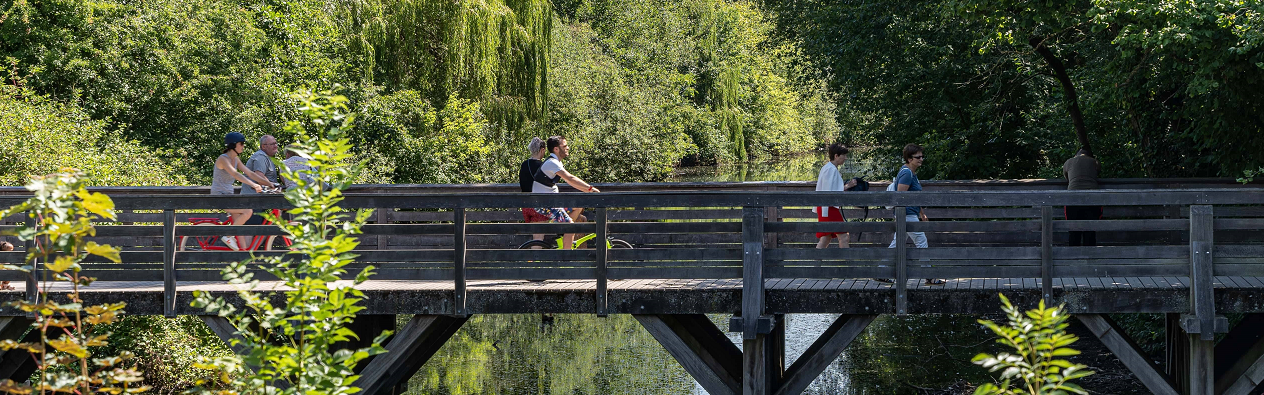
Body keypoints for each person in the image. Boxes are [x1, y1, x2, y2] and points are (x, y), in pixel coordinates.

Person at [886, 143, 943, 285]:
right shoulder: (906, 173)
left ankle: (881, 271)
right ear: (909, 158)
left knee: (897, 243)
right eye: (918, 157)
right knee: (921, 242)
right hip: (906, 214)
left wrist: (921, 213)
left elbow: (914, 196)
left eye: (922, 156)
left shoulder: (911, 173)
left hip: (910, 214)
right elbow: (900, 196)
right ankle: (928, 276)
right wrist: (909, 215)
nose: (921, 159)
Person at [532, 136, 600, 250]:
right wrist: (590, 189)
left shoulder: (555, 162)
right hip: (545, 204)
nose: (567, 148)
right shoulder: (552, 163)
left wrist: (587, 191)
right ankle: (566, 256)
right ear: (556, 149)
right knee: (570, 226)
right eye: (564, 146)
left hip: (551, 202)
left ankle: (564, 233)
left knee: (578, 206)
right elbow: (570, 179)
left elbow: (571, 182)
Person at [213, 132, 273, 250]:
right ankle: (228, 235)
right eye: (241, 144)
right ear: (233, 145)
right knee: (247, 211)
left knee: (239, 229)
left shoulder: (236, 159)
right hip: (220, 196)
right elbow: (235, 174)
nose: (243, 146)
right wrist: (254, 185)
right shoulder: (223, 158)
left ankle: (244, 256)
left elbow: (250, 173)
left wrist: (269, 183)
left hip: (229, 196)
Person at [814, 143, 858, 249]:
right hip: (828, 208)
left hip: (826, 207)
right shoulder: (830, 169)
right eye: (844, 155)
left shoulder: (829, 168)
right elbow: (829, 191)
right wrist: (848, 185)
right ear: (836, 156)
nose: (846, 158)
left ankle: (815, 264)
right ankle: (846, 263)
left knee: (826, 237)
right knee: (843, 236)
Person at [1063, 148, 1102, 246]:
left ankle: (1073, 254)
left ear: (1076, 155)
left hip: (1072, 197)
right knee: (1090, 229)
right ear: (1088, 156)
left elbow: (1067, 178)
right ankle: (1089, 255)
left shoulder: (1068, 162)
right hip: (1092, 197)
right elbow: (1097, 173)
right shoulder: (1095, 162)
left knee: (1073, 229)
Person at [519, 138, 551, 245]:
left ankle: (534, 259)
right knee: (538, 240)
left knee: (535, 237)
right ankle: (534, 260)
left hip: (526, 207)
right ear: (542, 150)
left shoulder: (524, 165)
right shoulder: (542, 166)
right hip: (538, 207)